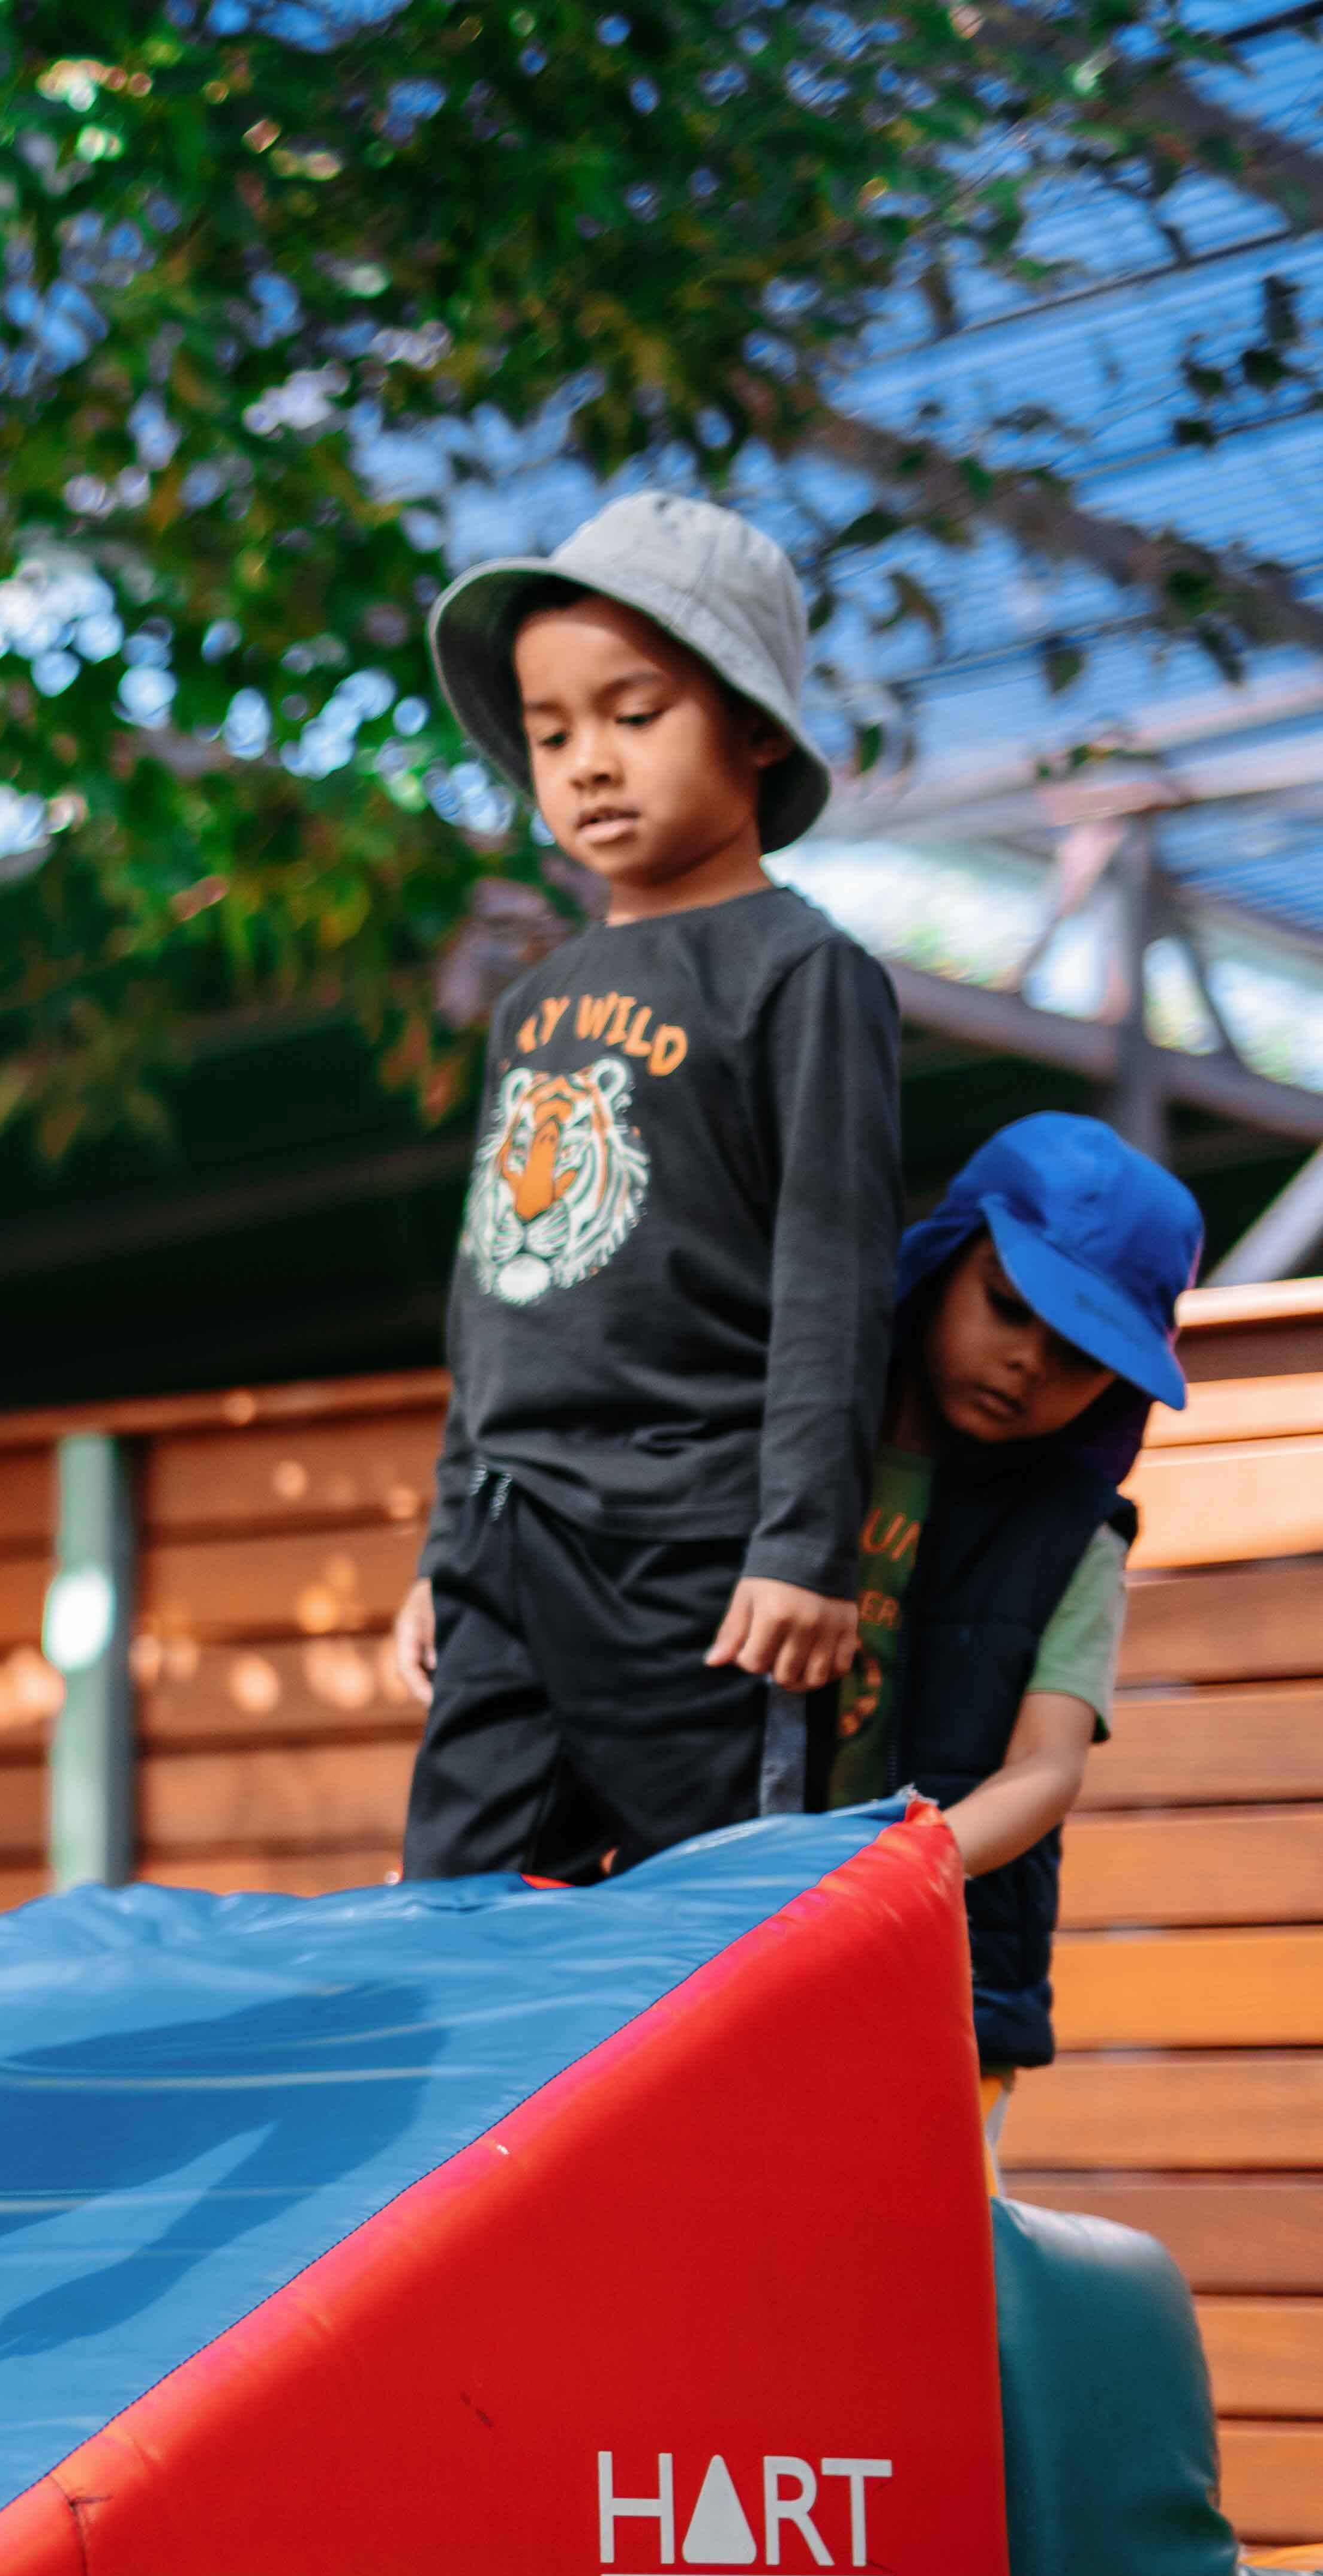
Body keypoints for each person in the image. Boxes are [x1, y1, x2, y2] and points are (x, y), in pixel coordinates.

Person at [386, 493, 902, 1881]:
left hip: (691, 1550)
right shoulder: (534, 1001)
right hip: (505, 1530)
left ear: (751, 728)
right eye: (549, 735)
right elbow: (492, 1289)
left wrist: (802, 1551)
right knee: (450, 1910)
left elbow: (834, 1277)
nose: (585, 765)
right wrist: (447, 1546)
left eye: (632, 714)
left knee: (708, 1929)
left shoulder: (801, 973)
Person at [824, 1115, 1200, 2130]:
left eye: (1082, 1356)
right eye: (1006, 1304)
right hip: (724, 1938)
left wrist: (904, 1873)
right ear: (942, 1259)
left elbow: (1048, 1764)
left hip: (946, 1984)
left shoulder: (1076, 1539)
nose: (1028, 1363)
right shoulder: (806, 1445)